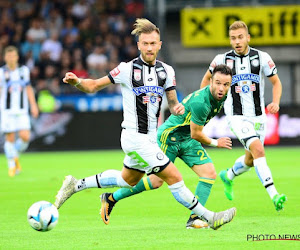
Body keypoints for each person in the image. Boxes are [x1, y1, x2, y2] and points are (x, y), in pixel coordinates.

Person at [54, 18, 236, 230]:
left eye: (153, 43)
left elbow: (172, 100)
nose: (150, 47)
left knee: (127, 180)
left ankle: (75, 185)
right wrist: (77, 82)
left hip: (150, 138)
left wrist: (177, 107)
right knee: (174, 177)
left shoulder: (166, 71)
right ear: (139, 45)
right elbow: (94, 85)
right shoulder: (126, 69)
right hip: (134, 137)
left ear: (160, 45)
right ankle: (209, 218)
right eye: (145, 43)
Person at [100, 64, 233, 229]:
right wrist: (216, 142)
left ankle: (194, 219)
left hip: (186, 139)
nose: (221, 88)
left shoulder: (222, 95)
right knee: (156, 182)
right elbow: (196, 134)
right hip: (169, 137)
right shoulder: (201, 103)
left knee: (209, 173)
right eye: (218, 83)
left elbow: (192, 134)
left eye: (226, 84)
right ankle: (111, 198)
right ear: (211, 82)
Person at [200, 21, 286, 211]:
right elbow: (206, 80)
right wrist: (206, 102)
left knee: (250, 159)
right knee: (259, 151)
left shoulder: (262, 57)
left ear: (248, 38)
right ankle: (275, 195)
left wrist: (276, 102)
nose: (237, 41)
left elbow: (276, 83)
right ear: (230, 40)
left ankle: (228, 175)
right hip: (236, 117)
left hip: (258, 117)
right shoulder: (222, 59)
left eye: (240, 37)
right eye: (233, 38)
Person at [0, 46, 39, 177]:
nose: (11, 58)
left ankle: (14, 156)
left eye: (13, 55)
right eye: (8, 56)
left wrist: (33, 105)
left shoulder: (24, 71)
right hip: (7, 110)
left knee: (25, 137)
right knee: (9, 138)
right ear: (5, 57)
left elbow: (28, 89)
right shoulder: (1, 72)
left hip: (22, 110)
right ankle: (12, 165)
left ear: (17, 57)